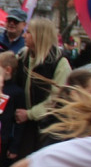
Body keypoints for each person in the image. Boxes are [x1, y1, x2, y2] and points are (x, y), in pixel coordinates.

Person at [13, 18, 72, 159]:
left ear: (40, 35)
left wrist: (30, 114)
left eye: (29, 32)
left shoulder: (60, 62)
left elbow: (57, 99)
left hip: (47, 128)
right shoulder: (23, 56)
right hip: (23, 125)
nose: (24, 35)